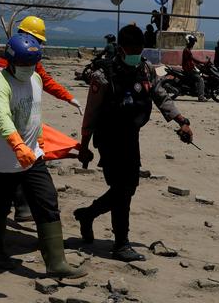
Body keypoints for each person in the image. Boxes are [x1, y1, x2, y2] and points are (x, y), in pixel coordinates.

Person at [74, 24, 195, 261]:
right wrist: (84, 145)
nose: (135, 53)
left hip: (131, 137)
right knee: (122, 189)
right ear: (121, 48)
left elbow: (160, 96)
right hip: (108, 138)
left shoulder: (145, 68)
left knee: (128, 188)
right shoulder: (103, 74)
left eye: (139, 49)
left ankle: (87, 215)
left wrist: (181, 120)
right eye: (132, 49)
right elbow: (91, 112)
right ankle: (120, 243)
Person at [0, 33, 87, 279]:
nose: (28, 69)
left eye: (32, 64)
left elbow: (34, 112)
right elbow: (1, 117)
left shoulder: (36, 79)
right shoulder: (0, 83)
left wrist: (38, 141)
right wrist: (17, 145)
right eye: (24, 64)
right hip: (2, 159)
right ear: (10, 61)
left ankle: (56, 262)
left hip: (32, 156)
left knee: (47, 200)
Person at [0, 15, 82, 222]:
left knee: (32, 182)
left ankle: (19, 210)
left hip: (25, 129)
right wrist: (16, 142)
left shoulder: (31, 66)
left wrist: (69, 97)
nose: (39, 44)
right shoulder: (6, 66)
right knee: (1, 178)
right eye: (37, 40)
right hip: (3, 125)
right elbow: (1, 111)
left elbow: (41, 88)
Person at [181, 34, 207, 102]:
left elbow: (192, 61)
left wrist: (198, 65)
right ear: (189, 42)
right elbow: (193, 59)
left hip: (190, 69)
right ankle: (201, 97)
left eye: (193, 43)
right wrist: (203, 62)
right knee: (200, 79)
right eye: (192, 42)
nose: (193, 44)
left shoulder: (187, 50)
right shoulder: (186, 50)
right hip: (188, 70)